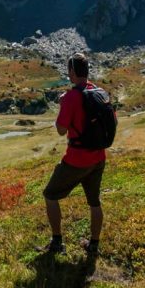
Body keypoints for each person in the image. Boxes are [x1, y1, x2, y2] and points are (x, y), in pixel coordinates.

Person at [40, 52, 106, 256]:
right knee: (94, 202)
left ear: (71, 72)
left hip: (77, 159)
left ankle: (57, 242)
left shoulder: (71, 97)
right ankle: (94, 245)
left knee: (50, 195)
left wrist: (63, 105)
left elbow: (61, 129)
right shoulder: (99, 92)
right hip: (99, 157)